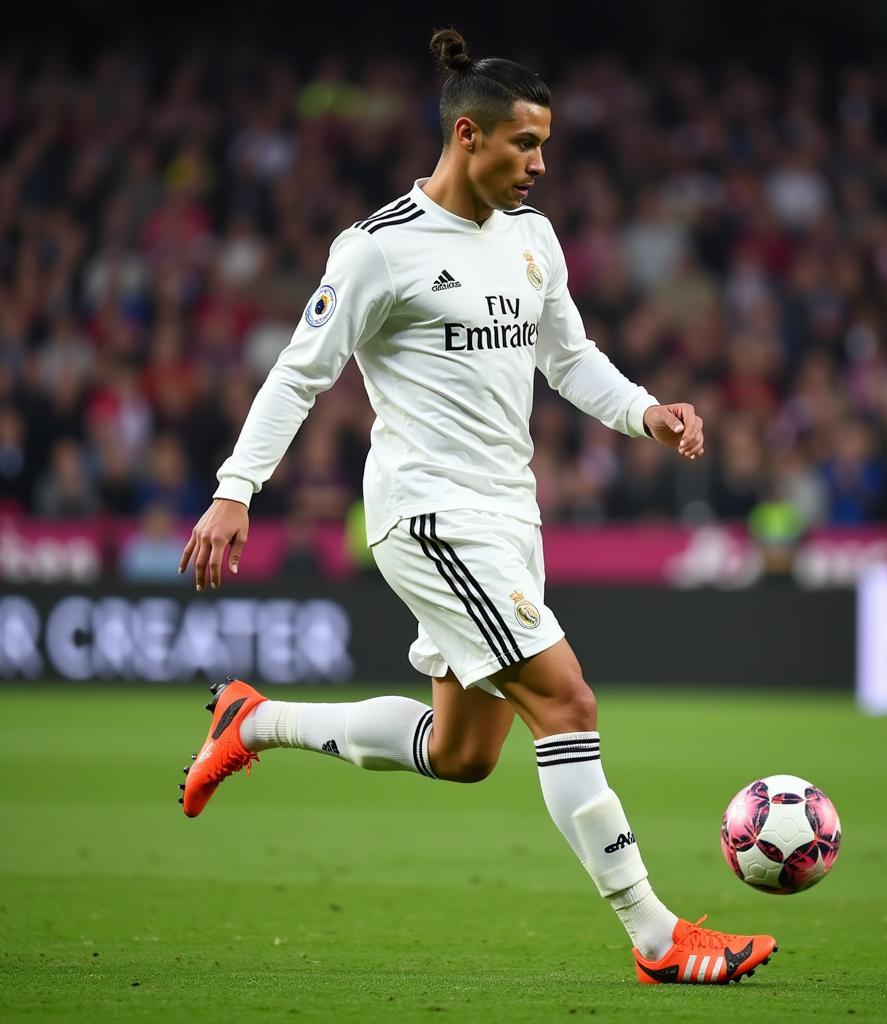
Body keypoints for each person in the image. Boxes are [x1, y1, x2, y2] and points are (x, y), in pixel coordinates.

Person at [177, 29, 776, 986]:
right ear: (468, 135)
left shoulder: (532, 239)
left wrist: (646, 413)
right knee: (567, 701)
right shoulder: (377, 250)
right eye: (524, 145)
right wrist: (233, 490)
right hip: (428, 514)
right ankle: (659, 938)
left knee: (461, 754)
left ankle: (251, 722)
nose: (539, 166)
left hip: (509, 513)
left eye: (544, 146)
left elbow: (568, 357)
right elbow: (299, 375)